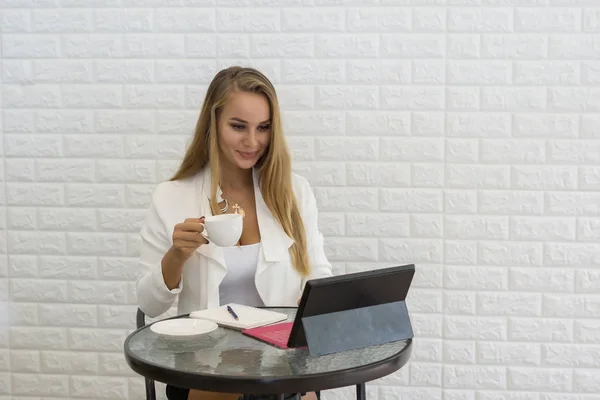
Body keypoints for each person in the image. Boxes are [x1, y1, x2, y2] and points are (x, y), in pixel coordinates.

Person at [135, 66, 333, 400]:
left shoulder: (293, 193)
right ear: (212, 124)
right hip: (205, 363)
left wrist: (312, 303)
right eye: (238, 126)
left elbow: (319, 274)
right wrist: (177, 256)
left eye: (264, 128)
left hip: (282, 361)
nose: (252, 141)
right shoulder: (172, 196)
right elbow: (150, 305)